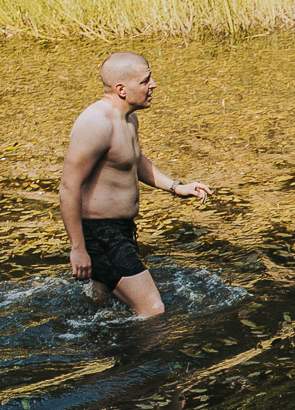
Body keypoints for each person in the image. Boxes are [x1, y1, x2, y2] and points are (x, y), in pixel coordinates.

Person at [58, 52, 208, 319]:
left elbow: (133, 159)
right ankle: (136, 361)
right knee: (153, 312)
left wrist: (175, 186)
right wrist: (78, 248)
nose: (153, 85)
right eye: (145, 80)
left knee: (102, 307)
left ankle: (98, 353)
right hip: (102, 234)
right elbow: (69, 186)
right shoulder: (96, 124)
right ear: (121, 89)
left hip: (120, 230)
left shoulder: (127, 119)